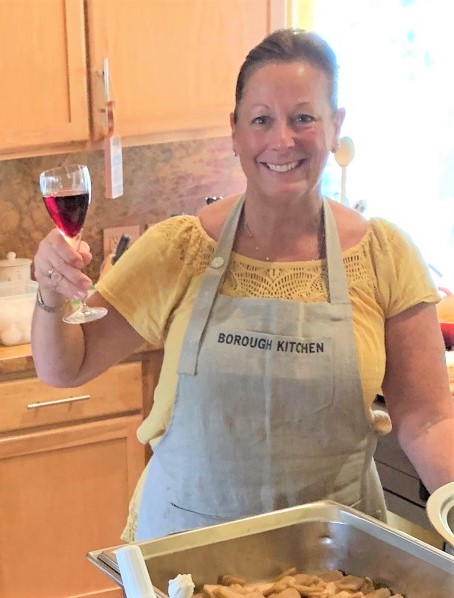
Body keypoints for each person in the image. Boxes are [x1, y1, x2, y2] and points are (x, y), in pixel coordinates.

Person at [32, 28, 454, 542]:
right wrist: (51, 292)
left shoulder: (385, 256)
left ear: (334, 125)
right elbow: (67, 365)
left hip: (332, 563)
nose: (282, 140)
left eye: (304, 118)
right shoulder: (178, 250)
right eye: (261, 120)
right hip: (183, 556)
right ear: (235, 131)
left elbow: (427, 420)